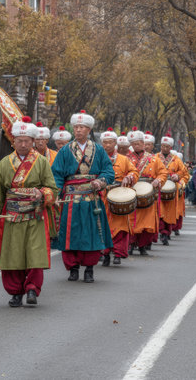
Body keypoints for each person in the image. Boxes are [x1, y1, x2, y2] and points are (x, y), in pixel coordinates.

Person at [0, 117, 58, 307]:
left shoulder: (41, 162)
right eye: (19, 140)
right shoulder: (5, 163)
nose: (23, 144)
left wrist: (42, 193)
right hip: (12, 216)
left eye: (27, 141)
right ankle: (15, 292)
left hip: (35, 216)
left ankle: (32, 289)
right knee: (12, 255)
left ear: (32, 141)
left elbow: (52, 189)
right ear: (13, 140)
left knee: (34, 254)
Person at [52, 110, 115, 283]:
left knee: (91, 233)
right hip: (70, 199)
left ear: (89, 130)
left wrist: (101, 182)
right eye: (76, 127)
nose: (79, 130)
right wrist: (56, 193)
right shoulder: (65, 151)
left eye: (82, 127)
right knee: (69, 233)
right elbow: (56, 175)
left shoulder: (99, 150)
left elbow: (108, 171)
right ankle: (73, 268)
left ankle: (89, 268)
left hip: (91, 199)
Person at [100, 128, 139, 266]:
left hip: (119, 196)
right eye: (105, 142)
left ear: (115, 143)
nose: (107, 145)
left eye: (110, 142)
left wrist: (129, 177)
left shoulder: (123, 159)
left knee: (120, 227)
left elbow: (134, 172)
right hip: (102, 196)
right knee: (103, 225)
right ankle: (105, 254)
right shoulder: (97, 158)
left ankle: (118, 253)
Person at [127, 128, 167, 255]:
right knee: (131, 219)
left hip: (148, 193)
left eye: (138, 143)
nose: (136, 145)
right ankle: (131, 244)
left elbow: (163, 173)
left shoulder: (153, 159)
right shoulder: (126, 159)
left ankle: (143, 246)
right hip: (132, 192)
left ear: (143, 144)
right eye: (133, 144)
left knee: (147, 221)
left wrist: (158, 181)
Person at [156, 135, 189, 244]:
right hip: (159, 190)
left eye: (167, 146)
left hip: (172, 191)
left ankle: (166, 234)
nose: (164, 148)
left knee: (169, 213)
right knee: (159, 211)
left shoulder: (176, 159)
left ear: (170, 147)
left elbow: (184, 173)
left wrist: (178, 177)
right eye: (163, 146)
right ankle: (161, 231)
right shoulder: (155, 157)